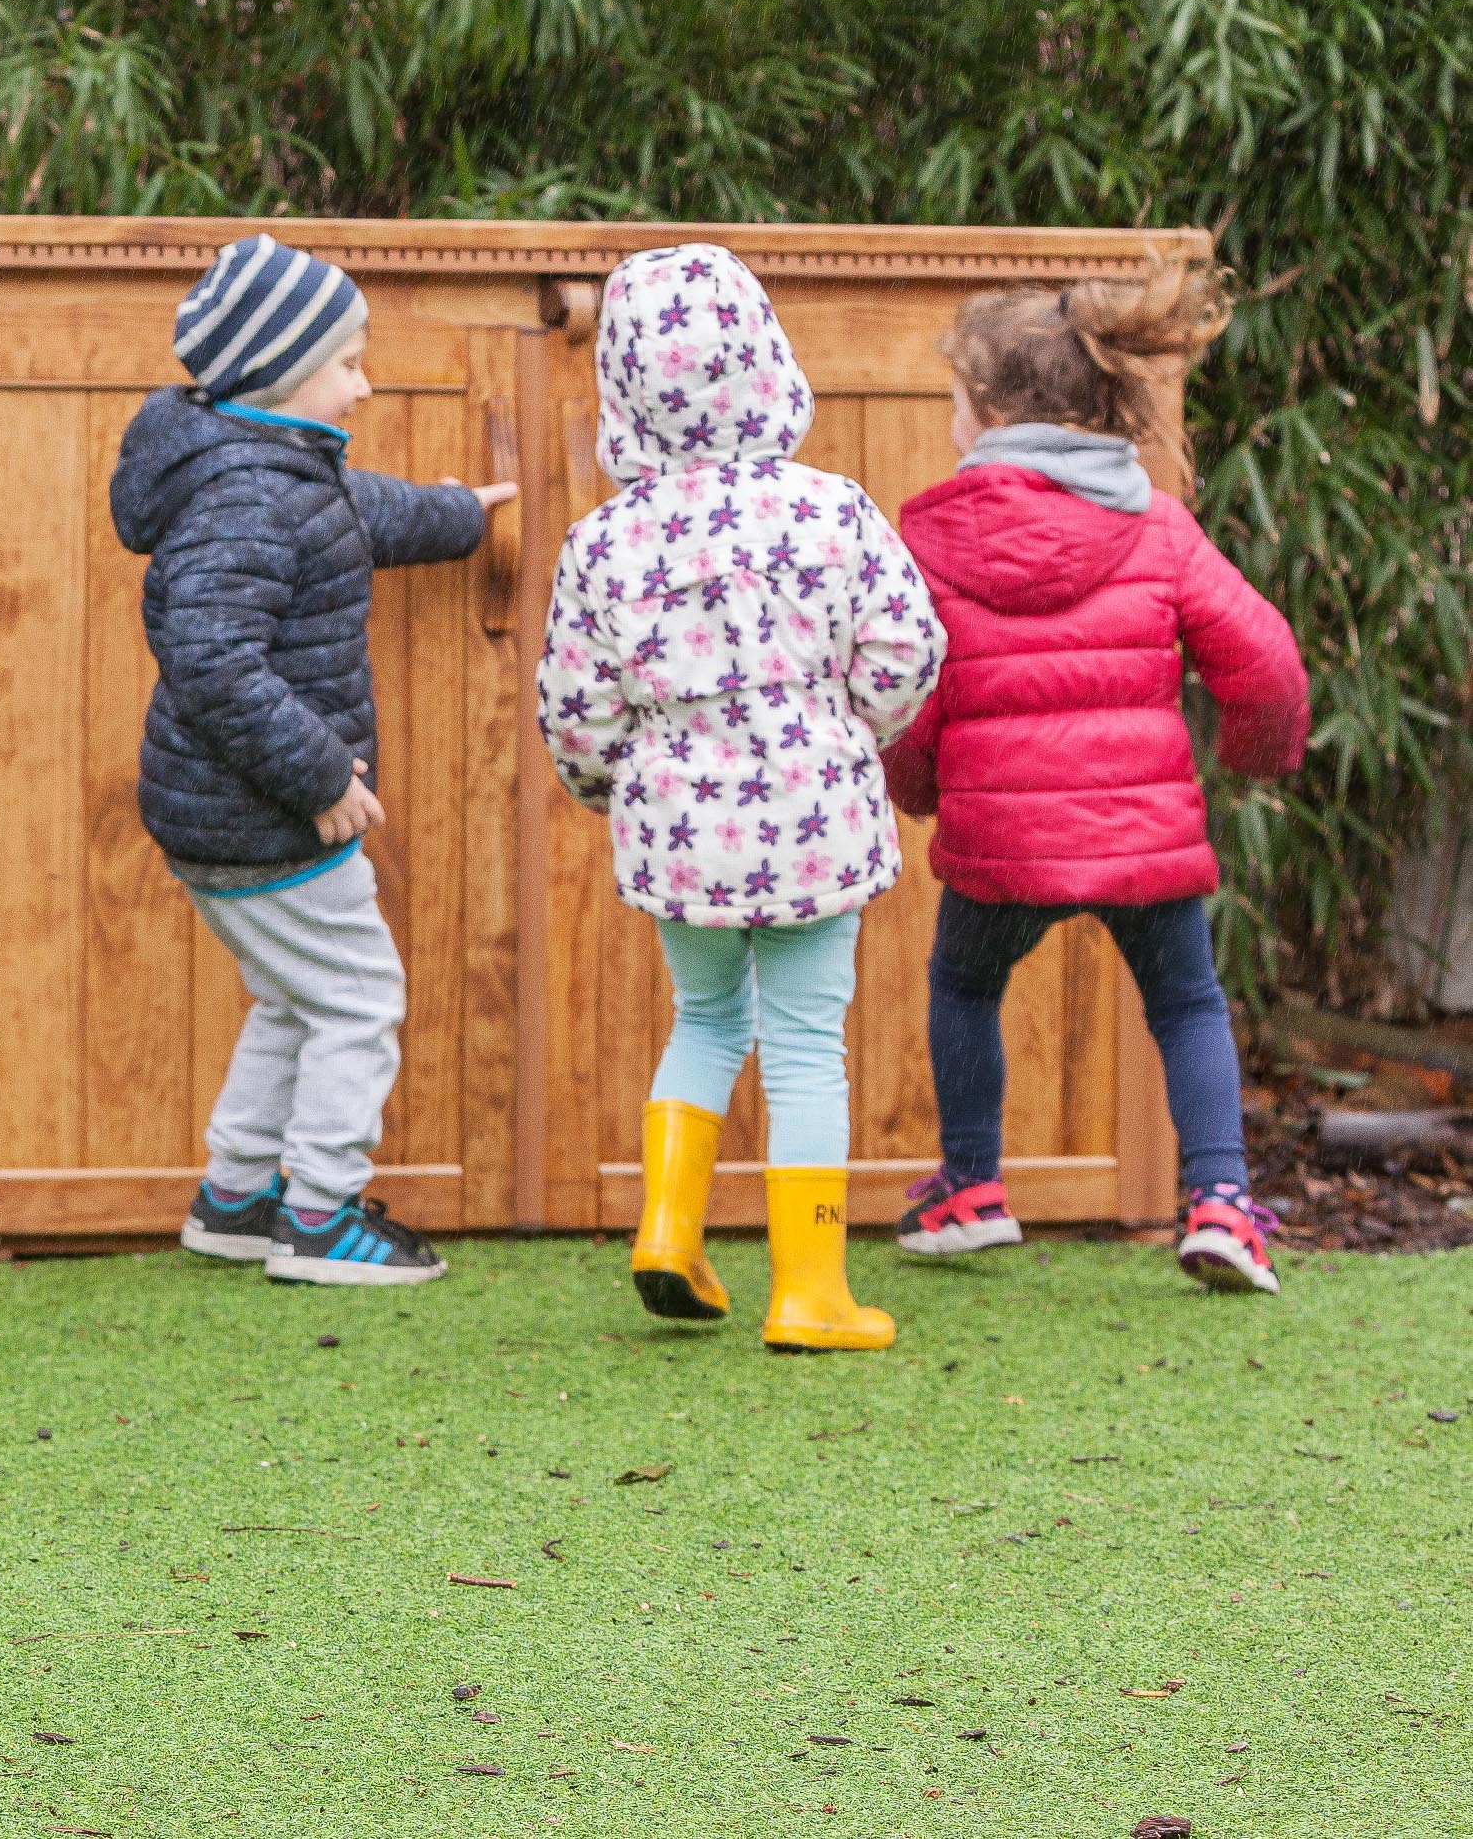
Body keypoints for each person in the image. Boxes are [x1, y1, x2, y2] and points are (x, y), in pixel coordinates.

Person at [538, 243, 941, 1352]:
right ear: (769, 362)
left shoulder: (603, 542)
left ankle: (669, 1233)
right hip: (816, 818)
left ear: (623, 391)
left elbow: (576, 708)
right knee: (807, 1045)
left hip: (678, 830)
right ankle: (810, 1292)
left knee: (708, 1019)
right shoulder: (833, 511)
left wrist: (613, 788)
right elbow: (907, 649)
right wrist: (852, 730)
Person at [882, 266, 1307, 1293]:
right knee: (1188, 1003)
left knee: (965, 985)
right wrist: (1250, 756)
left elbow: (906, 690)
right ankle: (1221, 1205)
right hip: (1144, 837)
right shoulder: (1158, 526)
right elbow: (1267, 664)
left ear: (991, 413)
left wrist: (920, 789)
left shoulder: (930, 538)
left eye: (956, 402)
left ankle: (971, 1189)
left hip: (1001, 842)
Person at [111, 234, 514, 1287]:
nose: (364, 383)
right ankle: (321, 1215)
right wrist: (323, 775)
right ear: (279, 374)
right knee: (358, 1000)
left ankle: (235, 1200)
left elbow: (355, 512)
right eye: (347, 363)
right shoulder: (247, 494)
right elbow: (211, 659)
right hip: (262, 811)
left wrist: (460, 513)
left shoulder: (267, 467)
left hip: (219, 810)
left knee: (295, 998)